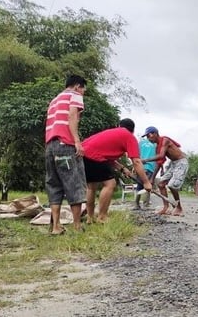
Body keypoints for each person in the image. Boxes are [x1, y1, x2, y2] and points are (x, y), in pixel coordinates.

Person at [82, 118, 152, 223]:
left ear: (119, 126)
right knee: (110, 184)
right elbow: (136, 161)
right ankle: (102, 217)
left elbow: (107, 157)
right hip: (95, 157)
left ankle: (90, 218)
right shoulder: (129, 136)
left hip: (83, 154)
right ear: (132, 130)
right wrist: (146, 182)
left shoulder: (112, 132)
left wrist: (122, 168)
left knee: (91, 188)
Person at [45, 75, 87, 234]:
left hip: (50, 147)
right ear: (77, 86)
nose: (83, 93)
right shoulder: (74, 96)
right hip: (65, 146)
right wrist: (77, 141)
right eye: (83, 89)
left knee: (54, 184)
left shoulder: (54, 100)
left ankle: (56, 226)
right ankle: (77, 226)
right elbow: (72, 116)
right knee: (73, 182)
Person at [142, 126, 188, 216]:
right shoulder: (158, 147)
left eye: (148, 135)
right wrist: (152, 178)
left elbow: (161, 155)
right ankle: (166, 207)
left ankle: (179, 208)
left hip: (181, 162)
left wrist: (145, 160)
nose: (148, 138)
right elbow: (159, 162)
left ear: (155, 133)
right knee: (161, 184)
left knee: (172, 185)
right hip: (173, 164)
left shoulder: (165, 140)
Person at [134, 137, 156, 210]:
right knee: (148, 186)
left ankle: (136, 204)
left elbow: (135, 155)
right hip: (150, 167)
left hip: (139, 167)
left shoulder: (140, 143)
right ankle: (146, 205)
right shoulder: (155, 144)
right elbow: (158, 157)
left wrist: (134, 167)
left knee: (139, 185)